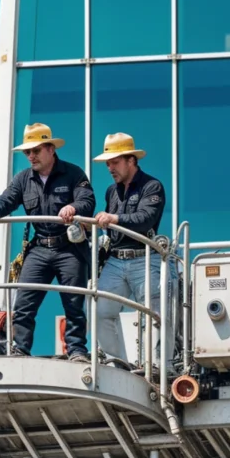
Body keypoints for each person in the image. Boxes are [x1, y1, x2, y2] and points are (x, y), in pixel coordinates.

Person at [0, 124, 96, 358]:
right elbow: (7, 199)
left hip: (69, 249)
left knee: (74, 305)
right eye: (27, 152)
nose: (31, 156)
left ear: (51, 149)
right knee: (24, 304)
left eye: (36, 150)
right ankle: (20, 349)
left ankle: (77, 351)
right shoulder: (23, 179)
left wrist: (73, 206)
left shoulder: (73, 174)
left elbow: (87, 200)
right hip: (39, 248)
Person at [90, 131, 174, 368]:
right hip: (116, 261)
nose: (110, 168)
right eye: (108, 163)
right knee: (100, 311)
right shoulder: (111, 191)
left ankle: (159, 366)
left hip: (145, 258)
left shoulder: (152, 186)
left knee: (157, 316)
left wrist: (113, 218)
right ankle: (118, 365)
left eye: (114, 162)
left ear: (131, 160)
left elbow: (146, 218)